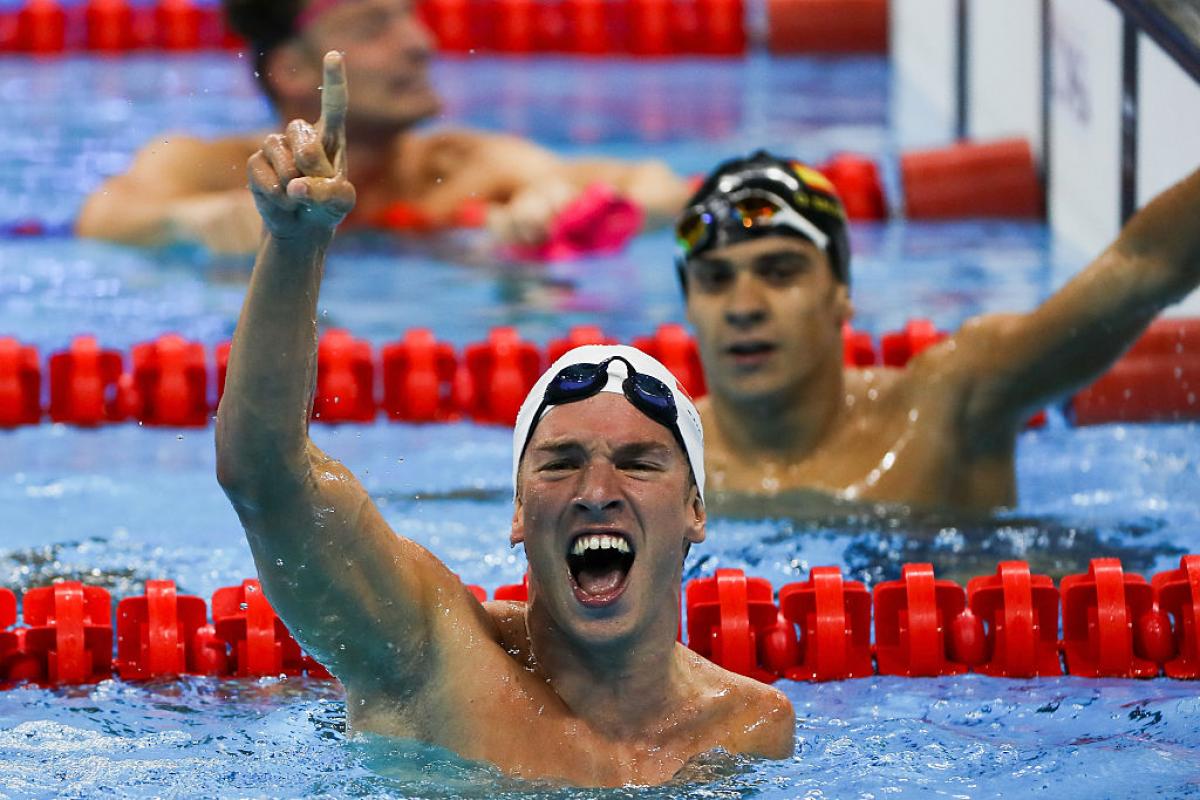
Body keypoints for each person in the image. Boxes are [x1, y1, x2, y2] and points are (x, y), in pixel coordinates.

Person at [214, 53, 792, 787]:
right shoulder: (429, 655)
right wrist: (293, 248)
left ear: (696, 510)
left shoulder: (749, 728)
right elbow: (265, 477)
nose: (596, 489)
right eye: (559, 461)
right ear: (518, 511)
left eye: (640, 462)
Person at [674, 151, 1200, 511]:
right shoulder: (660, 464)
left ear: (840, 291)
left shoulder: (947, 409)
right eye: (715, 280)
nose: (744, 307)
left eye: (779, 272)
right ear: (689, 306)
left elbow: (1143, 268)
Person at [77, 0, 690, 255]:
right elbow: (101, 219)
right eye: (375, 27)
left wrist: (568, 209)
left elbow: (663, 186)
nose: (421, 44)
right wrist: (189, 221)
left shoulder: (469, 169)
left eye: (411, 16)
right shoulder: (210, 171)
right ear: (291, 68)